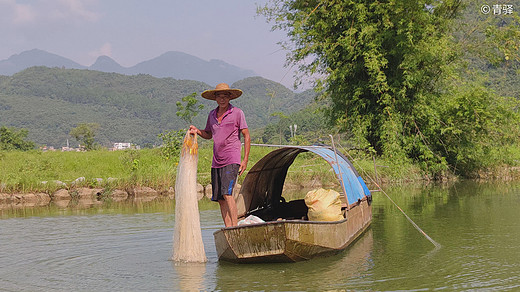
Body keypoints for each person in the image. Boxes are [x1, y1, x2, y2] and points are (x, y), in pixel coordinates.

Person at [189, 83, 250, 227]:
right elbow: (209, 134)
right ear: (215, 98)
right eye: (219, 96)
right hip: (216, 161)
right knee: (220, 198)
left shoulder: (237, 113)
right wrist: (197, 131)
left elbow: (246, 135)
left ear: (229, 97)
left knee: (228, 194)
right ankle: (228, 228)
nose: (222, 99)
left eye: (225, 96)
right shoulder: (212, 115)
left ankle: (235, 227)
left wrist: (245, 159)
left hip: (232, 159)